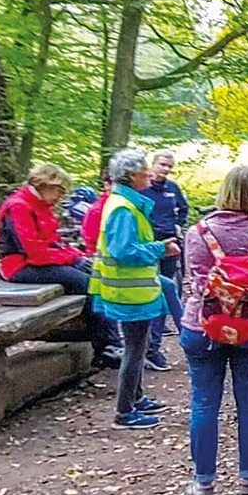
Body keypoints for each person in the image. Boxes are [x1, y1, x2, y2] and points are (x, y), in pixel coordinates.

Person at [179, 166, 248, 495]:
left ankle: (203, 483)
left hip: (204, 325)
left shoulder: (198, 233)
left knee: (205, 402)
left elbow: (194, 280)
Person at [0, 164, 122, 366]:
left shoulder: (41, 206)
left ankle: (111, 341)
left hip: (42, 262)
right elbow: (33, 252)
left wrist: (79, 257)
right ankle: (107, 346)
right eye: (59, 191)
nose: (60, 197)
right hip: (21, 267)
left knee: (97, 275)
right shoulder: (19, 206)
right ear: (45, 184)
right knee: (89, 284)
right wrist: (71, 260)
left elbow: (55, 241)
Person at [90, 148, 180, 429]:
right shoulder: (122, 209)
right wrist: (160, 248)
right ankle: (125, 412)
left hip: (133, 290)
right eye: (144, 172)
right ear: (131, 177)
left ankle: (137, 398)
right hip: (128, 292)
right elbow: (122, 251)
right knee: (134, 350)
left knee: (137, 348)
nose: (149, 175)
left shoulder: (125, 204)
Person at [138, 149, 190, 372]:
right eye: (162, 164)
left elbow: (183, 208)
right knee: (156, 291)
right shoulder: (142, 189)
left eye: (169, 166)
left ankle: (155, 344)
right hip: (149, 244)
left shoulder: (172, 188)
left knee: (166, 288)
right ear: (153, 164)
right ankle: (152, 346)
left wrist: (178, 224)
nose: (165, 169)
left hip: (170, 242)